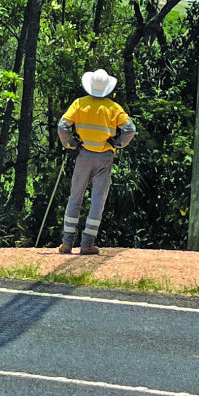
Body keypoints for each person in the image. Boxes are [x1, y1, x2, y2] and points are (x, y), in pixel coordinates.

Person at [56, 68, 136, 256]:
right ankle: (87, 244)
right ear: (108, 88)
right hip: (104, 157)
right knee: (97, 200)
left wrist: (70, 143)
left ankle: (66, 243)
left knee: (75, 196)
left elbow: (62, 125)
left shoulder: (79, 104)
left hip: (84, 154)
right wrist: (118, 143)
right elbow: (130, 129)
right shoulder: (114, 108)